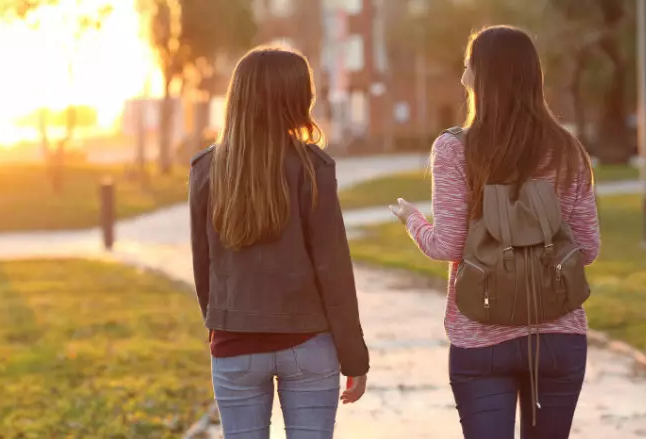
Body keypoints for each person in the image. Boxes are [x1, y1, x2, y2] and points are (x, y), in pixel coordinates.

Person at [390, 26, 600, 438]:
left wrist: (412, 221)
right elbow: (587, 249)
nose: (462, 78)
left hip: (480, 336)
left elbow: (448, 244)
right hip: (557, 336)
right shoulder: (567, 149)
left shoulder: (453, 149)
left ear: (480, 78)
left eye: (467, 68)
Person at [189, 47, 369, 439]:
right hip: (308, 345)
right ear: (297, 99)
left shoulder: (206, 169)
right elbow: (333, 269)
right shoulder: (313, 168)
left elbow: (203, 266)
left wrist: (222, 324)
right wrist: (354, 356)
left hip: (234, 345)